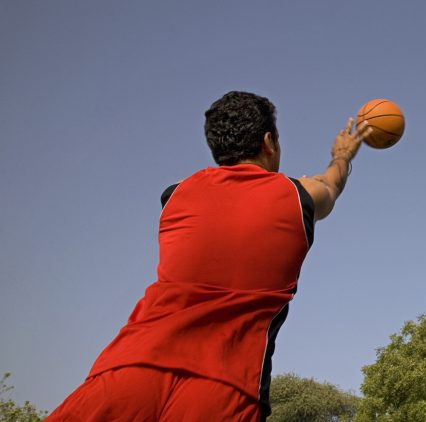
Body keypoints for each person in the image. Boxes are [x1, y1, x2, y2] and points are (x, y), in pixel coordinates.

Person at [48, 91, 371, 421]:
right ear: (268, 142)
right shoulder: (299, 196)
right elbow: (331, 185)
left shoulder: (175, 194)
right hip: (226, 385)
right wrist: (342, 155)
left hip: (128, 370)